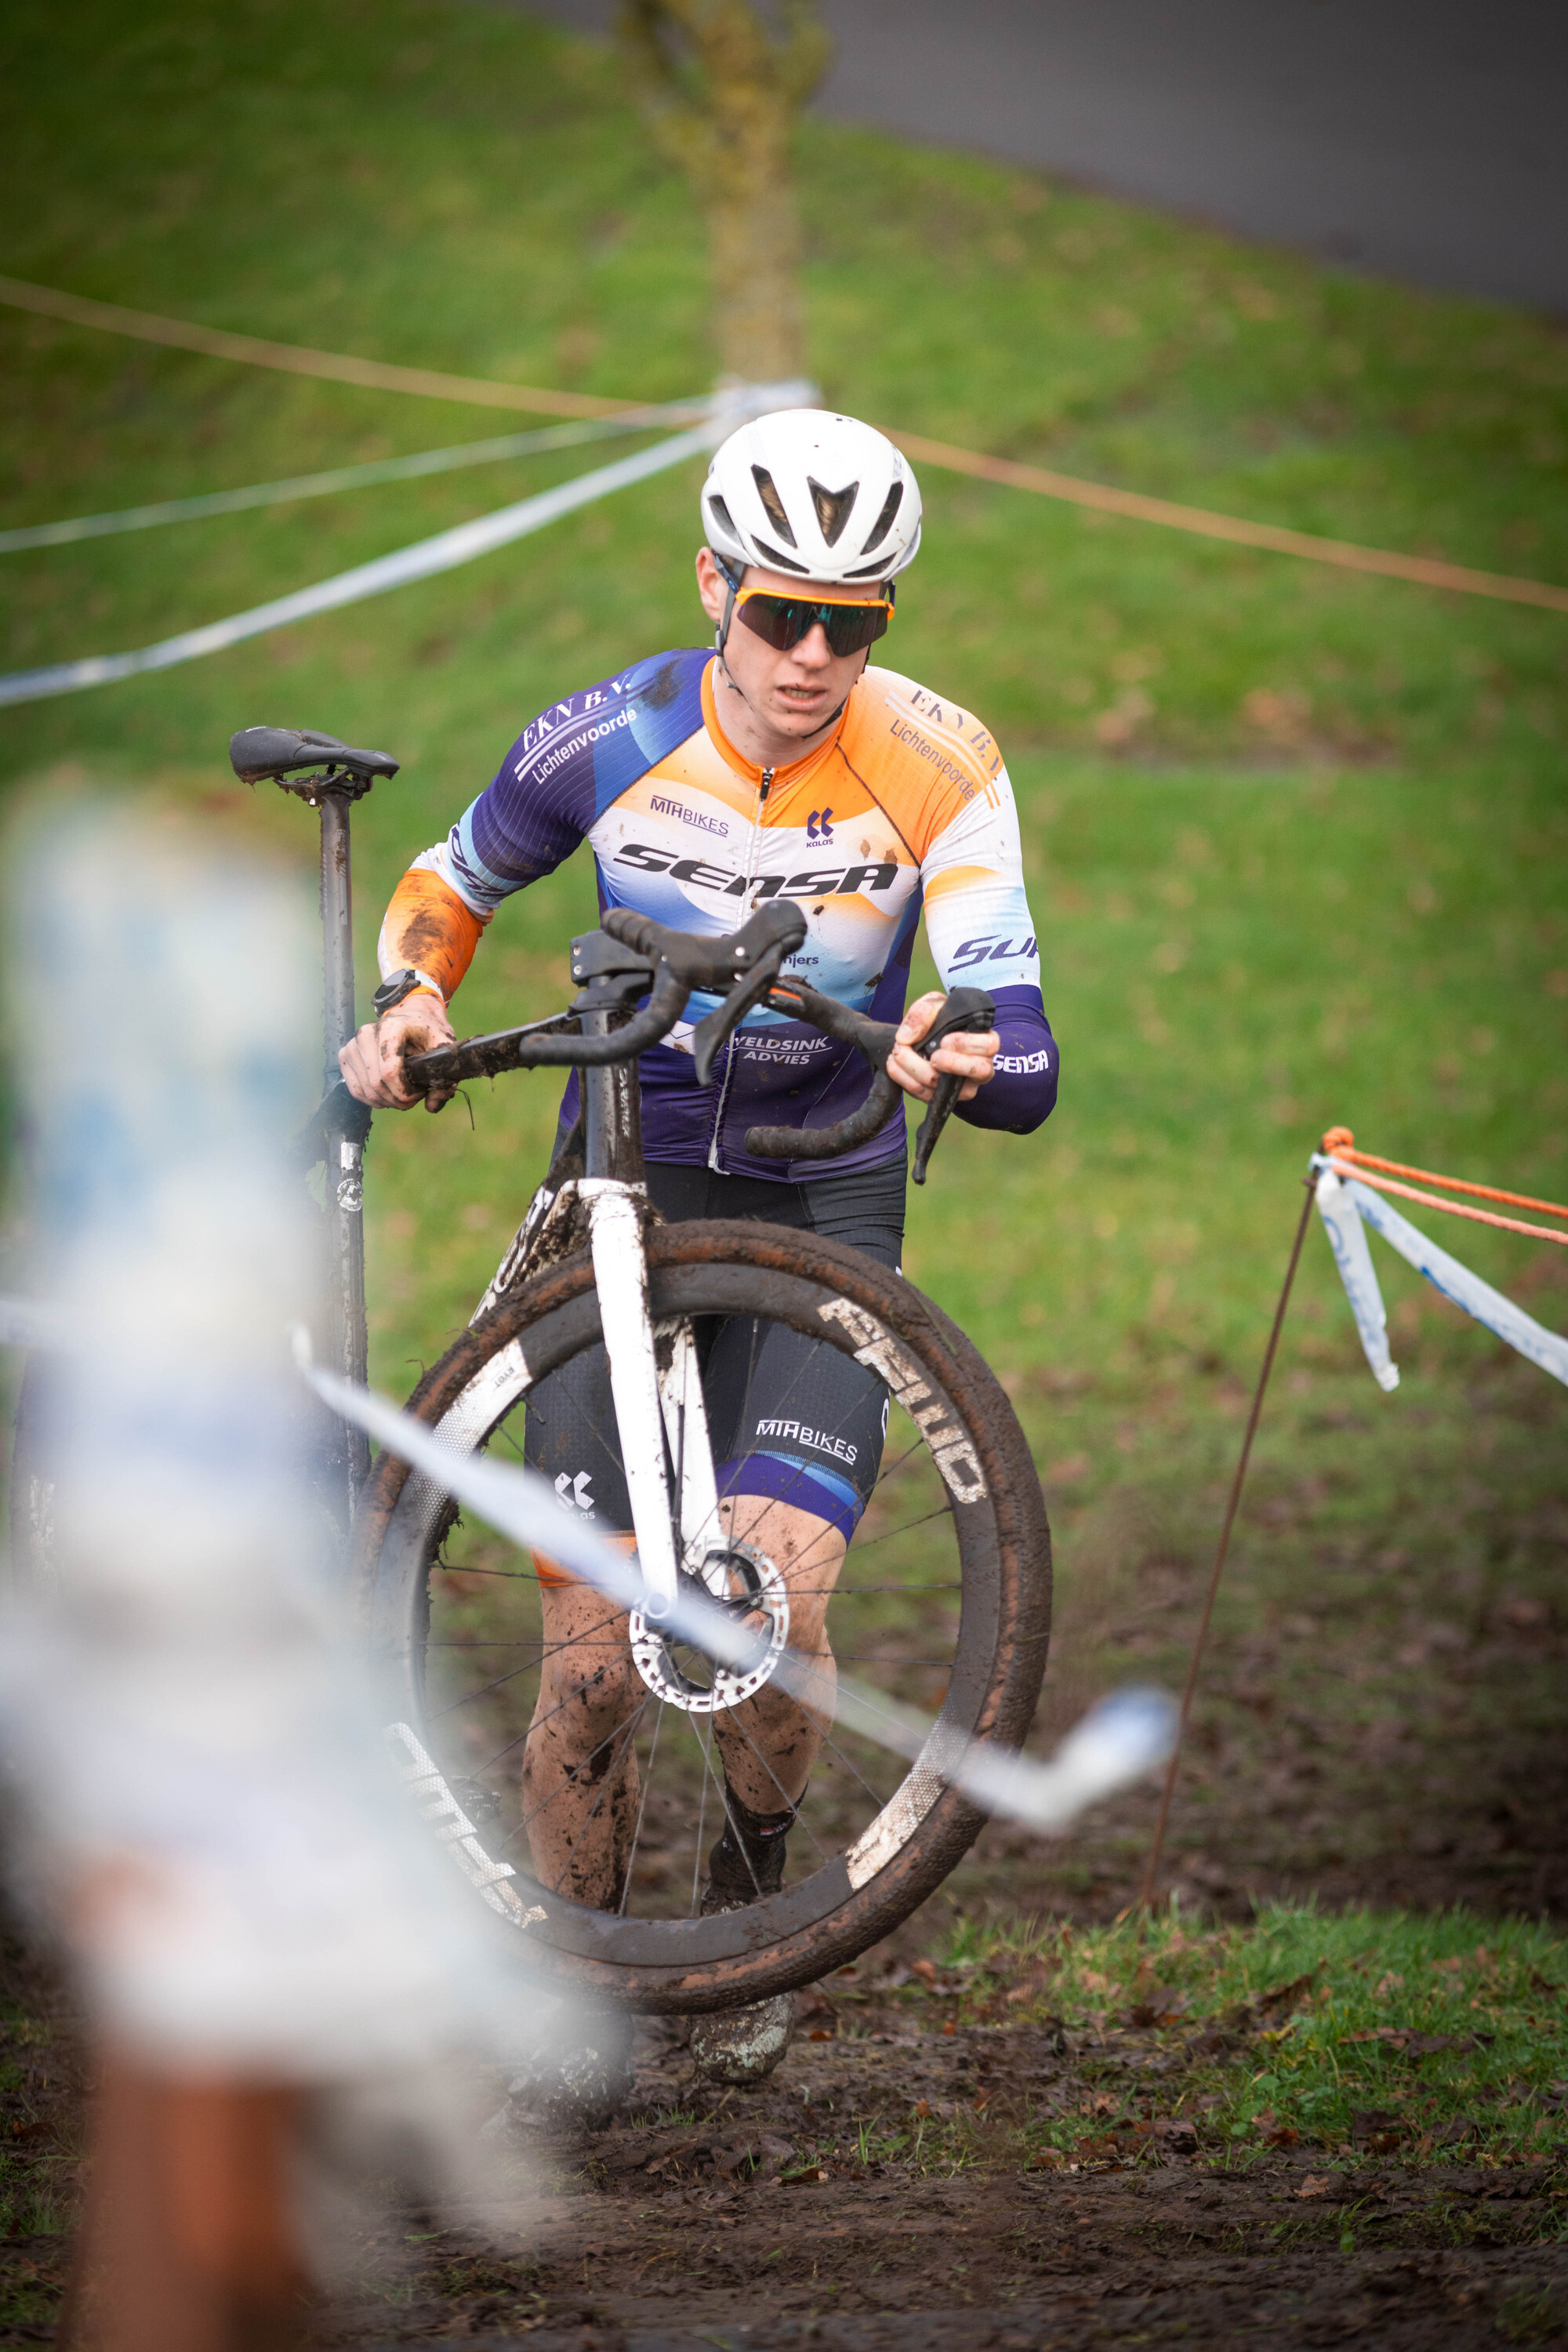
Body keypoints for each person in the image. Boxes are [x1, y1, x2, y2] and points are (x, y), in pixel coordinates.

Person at [340, 408, 1057, 2098]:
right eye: (780, 615)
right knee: (591, 1668)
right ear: (711, 586)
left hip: (823, 1192)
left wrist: (974, 1050)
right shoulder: (603, 736)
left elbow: (1013, 1028)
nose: (813, 655)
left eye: (854, 623)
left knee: (770, 1603)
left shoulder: (941, 761)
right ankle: (569, 2003)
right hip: (624, 1181)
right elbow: (448, 882)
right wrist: (412, 996)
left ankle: (753, 1897)